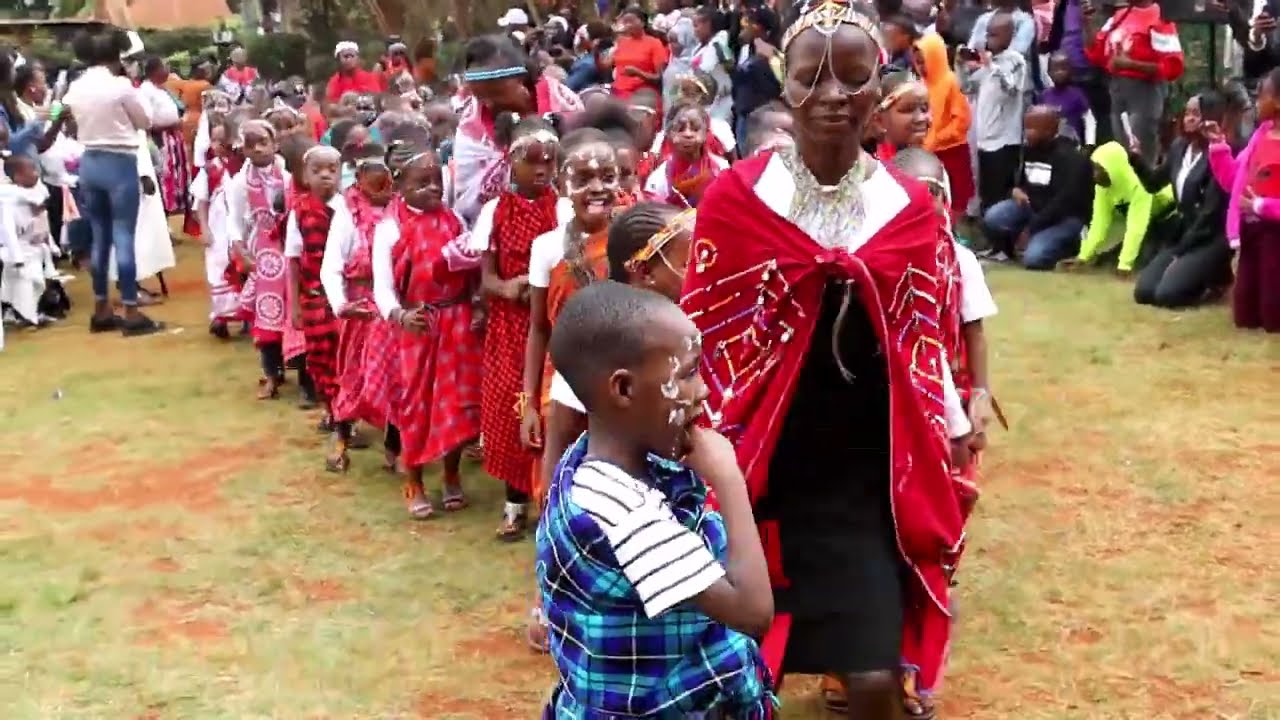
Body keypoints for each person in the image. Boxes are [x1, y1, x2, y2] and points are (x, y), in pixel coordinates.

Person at [681, 1, 974, 718]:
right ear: (786, 86)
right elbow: (702, 331)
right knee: (738, 680)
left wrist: (953, 416)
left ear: (880, 85)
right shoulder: (735, 199)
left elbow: (928, 332)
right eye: (813, 78)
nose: (834, 96)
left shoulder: (909, 208)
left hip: (864, 472)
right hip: (759, 468)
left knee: (875, 685)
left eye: (853, 76)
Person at [536, 281, 775, 719]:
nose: (703, 390)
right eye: (686, 373)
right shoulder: (626, 514)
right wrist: (729, 478)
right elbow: (753, 611)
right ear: (624, 390)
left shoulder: (593, 464)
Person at [469, 117, 572, 540]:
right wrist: (509, 287)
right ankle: (514, 504)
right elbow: (485, 279)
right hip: (510, 327)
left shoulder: (564, 209)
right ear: (512, 162)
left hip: (553, 323)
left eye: (549, 161)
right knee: (511, 411)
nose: (542, 170)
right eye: (532, 162)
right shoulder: (495, 212)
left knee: (552, 411)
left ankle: (553, 500)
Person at [372, 148, 482, 518]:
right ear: (399, 185)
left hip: (456, 324)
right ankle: (414, 480)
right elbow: (382, 288)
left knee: (456, 405)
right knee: (416, 407)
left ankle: (451, 476)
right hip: (416, 327)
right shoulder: (390, 228)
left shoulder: (454, 222)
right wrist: (400, 315)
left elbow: (471, 272)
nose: (433, 188)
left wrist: (476, 305)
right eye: (422, 182)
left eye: (437, 180)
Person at [519, 132, 618, 538]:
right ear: (563, 185)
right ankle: (553, 580)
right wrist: (527, 404)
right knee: (554, 483)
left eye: (608, 177)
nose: (597, 188)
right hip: (556, 383)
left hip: (618, 380)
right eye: (584, 178)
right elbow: (538, 328)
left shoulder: (635, 238)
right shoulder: (546, 247)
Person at [62, 30, 163, 336]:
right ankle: (131, 311)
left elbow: (64, 113)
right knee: (123, 236)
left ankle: (101, 309)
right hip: (119, 162)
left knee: (100, 237)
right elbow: (145, 121)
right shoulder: (119, 86)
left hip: (89, 162)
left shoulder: (75, 87)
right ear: (115, 58)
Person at [321, 143, 400, 472]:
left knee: (397, 380)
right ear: (360, 177)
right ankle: (340, 442)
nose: (382, 184)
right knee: (353, 378)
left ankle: (394, 450)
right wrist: (341, 305)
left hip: (394, 309)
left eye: (388, 177)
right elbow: (331, 266)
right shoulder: (346, 211)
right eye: (373, 176)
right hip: (360, 310)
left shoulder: (402, 207)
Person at [453, 34, 582, 225]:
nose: (487, 103)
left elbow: (585, 156)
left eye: (496, 94)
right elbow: (468, 199)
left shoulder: (562, 104)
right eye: (480, 97)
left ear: (522, 82)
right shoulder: (471, 126)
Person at [1131, 92, 1233, 309]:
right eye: (1187, 113)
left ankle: (1216, 277)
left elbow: (1210, 215)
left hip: (1210, 236)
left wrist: (1180, 253)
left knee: (1167, 296)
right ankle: (1204, 273)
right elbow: (1153, 183)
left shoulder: (1219, 153)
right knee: (1144, 292)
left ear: (1211, 115)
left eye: (1196, 113)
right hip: (1185, 232)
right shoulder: (1179, 147)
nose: (1189, 118)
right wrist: (1136, 158)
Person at [1207, 67, 1280, 332]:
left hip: (1275, 233)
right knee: (1245, 318)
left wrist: (1260, 206)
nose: (1256, 101)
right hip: (1251, 232)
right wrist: (1218, 147)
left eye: (1262, 95)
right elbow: (1233, 181)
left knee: (1273, 319)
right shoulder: (1259, 136)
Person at [226, 120, 291, 395]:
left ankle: (304, 373)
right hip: (261, 254)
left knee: (294, 313)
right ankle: (272, 374)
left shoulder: (288, 177)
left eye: (263, 142)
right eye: (250, 145)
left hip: (290, 250)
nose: (258, 149)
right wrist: (241, 251)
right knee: (266, 317)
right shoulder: (240, 182)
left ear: (275, 144)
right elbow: (234, 220)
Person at [982, 105, 1093, 267]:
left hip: (1063, 218)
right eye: (1026, 128)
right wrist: (1016, 190)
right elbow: (1019, 181)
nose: (1027, 133)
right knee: (994, 217)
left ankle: (1072, 245)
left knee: (1034, 258)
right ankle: (1008, 248)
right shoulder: (1029, 150)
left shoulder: (1069, 157)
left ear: (1049, 131)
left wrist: (1032, 228)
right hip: (1034, 208)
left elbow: (1063, 203)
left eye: (1032, 129)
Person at [1082, 0, 1184, 165]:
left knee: (1139, 151)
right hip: (1117, 91)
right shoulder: (1120, 16)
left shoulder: (1158, 17)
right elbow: (1096, 53)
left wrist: (1130, 64)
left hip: (1144, 93)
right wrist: (1087, 24)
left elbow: (1172, 67)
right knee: (1122, 152)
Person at [1070, 141, 1175, 274]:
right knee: (1114, 259)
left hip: (1168, 215)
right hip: (1149, 221)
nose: (1095, 175)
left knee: (1147, 265)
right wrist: (1082, 257)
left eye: (1100, 169)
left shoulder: (1139, 185)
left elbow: (1136, 227)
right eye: (1094, 168)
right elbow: (1099, 223)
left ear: (1114, 168)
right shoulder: (1104, 187)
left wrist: (1125, 265)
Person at [959, 12, 1028, 215]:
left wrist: (991, 66)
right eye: (988, 34)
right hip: (985, 140)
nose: (988, 40)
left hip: (1005, 141)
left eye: (995, 35)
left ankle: (1007, 242)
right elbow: (967, 88)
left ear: (1010, 35)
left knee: (1003, 194)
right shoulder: (989, 63)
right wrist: (961, 65)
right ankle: (991, 239)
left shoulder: (1016, 62)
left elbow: (1011, 89)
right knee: (987, 193)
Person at [191, 117, 244, 338]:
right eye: (214, 140)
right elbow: (201, 203)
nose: (219, 145)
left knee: (242, 268)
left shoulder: (242, 168)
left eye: (224, 140)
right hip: (218, 228)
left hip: (240, 228)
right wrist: (204, 228)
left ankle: (245, 314)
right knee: (218, 269)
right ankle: (219, 317)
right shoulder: (209, 170)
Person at [913, 32, 974, 220]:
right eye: (917, 62)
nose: (921, 67)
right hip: (928, 149)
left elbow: (962, 121)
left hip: (951, 149)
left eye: (924, 61)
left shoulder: (951, 82)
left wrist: (937, 138)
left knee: (957, 193)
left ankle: (956, 230)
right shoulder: (921, 85)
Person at [0, 154, 55, 326]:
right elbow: (8, 232)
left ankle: (27, 313)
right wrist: (16, 257)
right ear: (17, 176)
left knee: (34, 284)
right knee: (23, 283)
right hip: (13, 250)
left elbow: (41, 222)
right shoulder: (7, 199)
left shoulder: (31, 194)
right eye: (31, 170)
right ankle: (24, 315)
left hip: (32, 249)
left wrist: (50, 245)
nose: (36, 174)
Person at [645, 102, 729, 207]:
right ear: (669, 134)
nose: (688, 134)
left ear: (706, 132)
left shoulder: (722, 169)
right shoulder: (658, 181)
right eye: (680, 129)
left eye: (695, 128)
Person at [138, 56, 190, 216]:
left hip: (172, 137)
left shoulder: (162, 88)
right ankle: (163, 219)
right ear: (155, 71)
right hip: (159, 139)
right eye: (165, 67)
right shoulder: (145, 90)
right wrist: (170, 124)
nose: (168, 70)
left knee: (174, 180)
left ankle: (170, 216)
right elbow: (146, 122)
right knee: (161, 178)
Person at [731, 4, 784, 151]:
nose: (743, 28)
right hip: (742, 114)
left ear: (759, 28)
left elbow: (780, 84)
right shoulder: (745, 50)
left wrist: (771, 60)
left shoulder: (773, 54)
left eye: (747, 24)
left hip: (763, 118)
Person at [611, 6, 669, 101]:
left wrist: (638, 73)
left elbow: (659, 78)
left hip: (642, 94)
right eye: (625, 22)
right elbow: (606, 65)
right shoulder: (622, 42)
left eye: (631, 21)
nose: (628, 25)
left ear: (642, 23)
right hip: (618, 91)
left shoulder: (654, 43)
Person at [691, 5, 735, 124]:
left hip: (721, 102)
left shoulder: (719, 43)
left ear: (709, 24)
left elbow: (723, 64)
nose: (695, 30)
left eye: (696, 25)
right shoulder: (698, 47)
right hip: (704, 103)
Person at [1038, 51, 1090, 144]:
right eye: (1056, 69)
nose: (1060, 72)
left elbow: (1088, 121)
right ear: (1049, 72)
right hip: (1049, 147)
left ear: (1071, 70)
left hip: (1072, 145)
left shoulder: (1077, 95)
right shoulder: (1044, 96)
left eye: (1063, 68)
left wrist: (1088, 145)